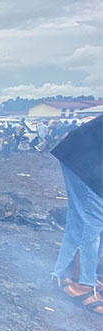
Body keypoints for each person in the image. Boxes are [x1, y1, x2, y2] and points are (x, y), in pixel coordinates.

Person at [50, 115, 102, 315]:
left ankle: (71, 273)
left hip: (88, 156)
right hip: (87, 159)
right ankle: (82, 283)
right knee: (91, 221)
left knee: (92, 220)